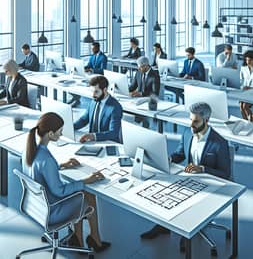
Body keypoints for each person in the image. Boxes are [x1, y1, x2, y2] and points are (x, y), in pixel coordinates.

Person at [140, 102, 231, 251]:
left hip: (211, 184)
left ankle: (189, 230)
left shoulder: (219, 143)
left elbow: (225, 173)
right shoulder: (188, 132)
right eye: (190, 119)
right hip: (191, 178)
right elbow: (180, 153)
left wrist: (202, 168)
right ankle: (163, 226)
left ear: (206, 121)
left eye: (196, 121)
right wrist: (168, 158)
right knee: (163, 189)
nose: (191, 124)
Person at [23, 112, 110, 252]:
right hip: (52, 211)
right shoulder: (48, 160)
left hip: (36, 206)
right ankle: (95, 239)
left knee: (79, 191)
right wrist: (86, 180)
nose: (61, 135)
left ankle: (78, 238)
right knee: (88, 194)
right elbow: (60, 190)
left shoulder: (29, 150)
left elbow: (40, 171)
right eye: (60, 131)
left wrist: (62, 165)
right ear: (51, 134)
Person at [74, 75, 123, 143]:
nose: (93, 95)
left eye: (96, 92)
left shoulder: (115, 107)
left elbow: (113, 133)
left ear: (105, 90)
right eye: (92, 91)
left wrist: (93, 136)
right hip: (91, 141)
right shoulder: (94, 100)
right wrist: (71, 126)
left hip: (107, 142)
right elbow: (84, 119)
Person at [129, 56, 160, 128]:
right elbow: (132, 86)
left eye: (140, 67)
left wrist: (141, 94)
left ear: (146, 66)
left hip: (148, 101)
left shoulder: (155, 76)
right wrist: (123, 88)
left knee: (140, 120)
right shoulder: (138, 73)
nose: (138, 68)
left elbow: (155, 93)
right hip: (137, 100)